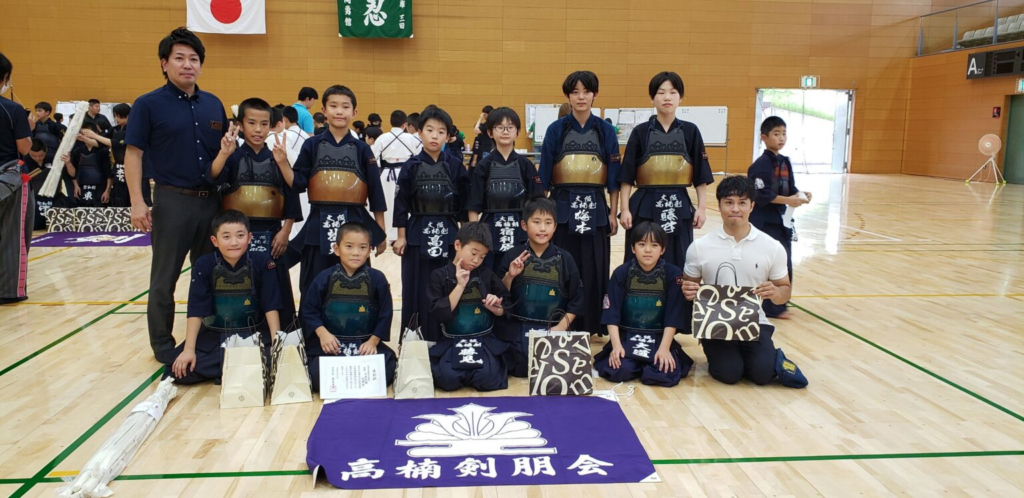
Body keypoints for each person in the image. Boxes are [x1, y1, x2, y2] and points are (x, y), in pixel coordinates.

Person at [125, 27, 227, 363]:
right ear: (164, 63)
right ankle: (162, 344)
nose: (187, 65)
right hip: (172, 201)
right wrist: (138, 201)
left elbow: (223, 155)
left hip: (211, 202)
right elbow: (133, 154)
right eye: (179, 58)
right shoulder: (148, 105)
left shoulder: (213, 104)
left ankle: (209, 336)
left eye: (194, 59)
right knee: (164, 277)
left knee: (211, 273)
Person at [682, 176, 803, 387]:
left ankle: (764, 356)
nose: (735, 209)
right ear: (719, 205)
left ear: (752, 206)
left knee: (763, 374)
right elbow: (688, 288)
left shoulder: (772, 247)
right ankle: (728, 356)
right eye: (729, 202)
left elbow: (784, 291)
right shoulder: (699, 247)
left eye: (742, 203)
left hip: (755, 322)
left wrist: (775, 292)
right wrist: (688, 291)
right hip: (716, 323)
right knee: (729, 374)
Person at [539, 70, 620, 337]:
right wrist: (543, 215)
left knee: (595, 268)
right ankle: (560, 322)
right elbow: (545, 175)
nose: (581, 97)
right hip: (563, 207)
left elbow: (613, 177)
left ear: (595, 94)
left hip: (596, 207)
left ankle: (592, 323)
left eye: (586, 91)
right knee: (562, 265)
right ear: (568, 96)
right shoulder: (556, 129)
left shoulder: (605, 130)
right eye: (575, 92)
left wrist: (613, 212)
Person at [211, 97, 303, 330]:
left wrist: (285, 231)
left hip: (272, 234)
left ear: (271, 125)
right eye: (252, 123)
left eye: (264, 124)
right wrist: (223, 154)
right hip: (237, 235)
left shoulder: (277, 157)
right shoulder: (232, 156)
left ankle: (281, 332)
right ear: (240, 125)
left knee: (275, 285)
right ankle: (238, 330)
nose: (258, 130)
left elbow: (292, 194)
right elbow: (212, 178)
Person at [291, 85, 387, 297]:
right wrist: (282, 163)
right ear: (324, 111)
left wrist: (380, 231)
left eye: (345, 107)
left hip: (354, 223)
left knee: (356, 285)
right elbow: (297, 183)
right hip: (318, 223)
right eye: (333, 106)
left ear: (354, 112)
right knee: (313, 285)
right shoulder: (311, 145)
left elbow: (375, 191)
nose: (339, 111)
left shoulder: (362, 149)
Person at [167, 210, 283, 384]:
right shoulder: (204, 264)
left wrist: (277, 345)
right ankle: (237, 369)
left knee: (274, 363)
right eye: (226, 237)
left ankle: (228, 369)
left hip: (252, 333)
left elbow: (271, 305)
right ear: (215, 241)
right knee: (179, 371)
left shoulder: (262, 262)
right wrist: (189, 349)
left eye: (240, 235)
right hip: (215, 335)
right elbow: (196, 309)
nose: (234, 242)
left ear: (249, 238)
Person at [619, 72, 713, 274]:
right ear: (652, 98)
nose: (667, 97)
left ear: (681, 97)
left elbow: (700, 175)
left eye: (673, 92)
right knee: (641, 259)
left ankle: (676, 295)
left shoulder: (691, 131)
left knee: (679, 258)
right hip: (645, 205)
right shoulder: (640, 132)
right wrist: (625, 208)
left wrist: (702, 208)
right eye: (661, 93)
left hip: (679, 204)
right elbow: (626, 176)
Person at [393, 105, 469, 341]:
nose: (435, 136)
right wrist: (401, 236)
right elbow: (401, 204)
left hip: (449, 235)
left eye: (441, 131)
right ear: (420, 132)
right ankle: (412, 341)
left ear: (448, 136)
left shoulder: (455, 166)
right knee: (415, 287)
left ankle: (447, 338)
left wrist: (465, 241)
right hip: (417, 234)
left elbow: (464, 205)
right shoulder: (411, 166)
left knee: (448, 284)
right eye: (429, 130)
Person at [301, 222, 396, 391]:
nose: (355, 253)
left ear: (369, 250)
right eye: (349, 246)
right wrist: (323, 334)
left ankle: (348, 380)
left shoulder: (377, 279)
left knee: (387, 369)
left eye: (362, 247)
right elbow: (309, 310)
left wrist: (373, 342)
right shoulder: (324, 277)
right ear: (337, 249)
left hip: (365, 344)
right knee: (315, 375)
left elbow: (385, 313)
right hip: (332, 345)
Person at [595, 222, 693, 386]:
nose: (648, 250)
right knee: (618, 370)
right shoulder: (621, 273)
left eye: (654, 245)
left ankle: (645, 365)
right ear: (633, 248)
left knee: (663, 374)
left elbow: (674, 314)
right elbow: (611, 312)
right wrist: (616, 346)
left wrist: (664, 349)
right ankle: (636, 364)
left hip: (659, 338)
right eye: (642, 244)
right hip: (627, 336)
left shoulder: (673, 274)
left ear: (662, 249)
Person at [498, 198, 584, 377]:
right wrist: (509, 276)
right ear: (524, 225)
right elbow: (499, 296)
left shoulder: (565, 259)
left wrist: (560, 328)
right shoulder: (512, 256)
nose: (542, 228)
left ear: (555, 227)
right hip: (518, 328)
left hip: (553, 328)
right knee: (518, 367)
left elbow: (577, 300)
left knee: (553, 369)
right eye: (536, 222)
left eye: (548, 223)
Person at [426, 222, 510, 391]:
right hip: (451, 340)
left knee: (488, 378)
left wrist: (496, 308)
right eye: (473, 253)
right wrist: (460, 285)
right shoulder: (439, 275)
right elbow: (439, 313)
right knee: (448, 379)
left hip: (484, 340)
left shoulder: (486, 274)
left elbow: (506, 305)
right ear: (458, 245)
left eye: (482, 257)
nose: (476, 260)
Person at [748, 116, 811, 319]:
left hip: (782, 220)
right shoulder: (760, 165)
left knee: (784, 261)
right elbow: (761, 195)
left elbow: (790, 188)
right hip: (764, 222)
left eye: (784, 133)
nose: (781, 138)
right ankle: (767, 307)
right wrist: (788, 200)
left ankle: (779, 303)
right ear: (764, 138)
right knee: (767, 263)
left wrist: (800, 194)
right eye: (776, 134)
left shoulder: (785, 162)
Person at [467, 107, 543, 270]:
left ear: (517, 132)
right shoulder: (484, 166)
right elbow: (473, 206)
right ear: (490, 132)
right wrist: (476, 236)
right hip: (490, 232)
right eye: (500, 127)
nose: (505, 131)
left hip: (520, 231)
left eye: (510, 127)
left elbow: (537, 202)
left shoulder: (526, 165)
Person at [0, 51, 33, 305]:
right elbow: (24, 147)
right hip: (8, 179)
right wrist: (28, 129)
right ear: (5, 78)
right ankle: (9, 291)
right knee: (13, 236)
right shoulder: (12, 109)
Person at [371, 109, 422, 241]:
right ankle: (404, 233)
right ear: (405, 124)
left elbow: (372, 156)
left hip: (387, 174)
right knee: (404, 203)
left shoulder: (382, 138)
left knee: (387, 203)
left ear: (390, 122)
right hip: (406, 174)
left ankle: (388, 234)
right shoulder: (411, 138)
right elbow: (420, 156)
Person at [64, 121, 112, 207]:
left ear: (96, 133)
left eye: (87, 134)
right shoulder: (77, 151)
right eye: (82, 134)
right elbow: (73, 174)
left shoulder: (103, 151)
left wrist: (107, 191)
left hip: (100, 188)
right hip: (82, 187)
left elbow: (109, 173)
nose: (84, 136)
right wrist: (75, 185)